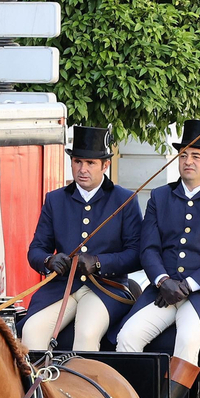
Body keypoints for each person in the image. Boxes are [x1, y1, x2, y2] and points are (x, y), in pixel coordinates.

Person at [115, 119, 200, 398]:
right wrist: (163, 281)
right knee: (128, 336)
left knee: (188, 338)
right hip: (164, 290)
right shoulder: (161, 196)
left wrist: (188, 285)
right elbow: (148, 249)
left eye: (196, 156)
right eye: (183, 155)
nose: (188, 161)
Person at [19, 125, 142, 351]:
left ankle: (83, 376)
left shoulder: (125, 200)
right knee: (31, 331)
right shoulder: (55, 200)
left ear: (105, 165)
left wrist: (99, 262)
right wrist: (49, 261)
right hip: (62, 287)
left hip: (106, 288)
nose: (82, 169)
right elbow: (36, 250)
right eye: (77, 161)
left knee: (86, 333)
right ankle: (41, 377)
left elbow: (136, 254)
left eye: (90, 163)